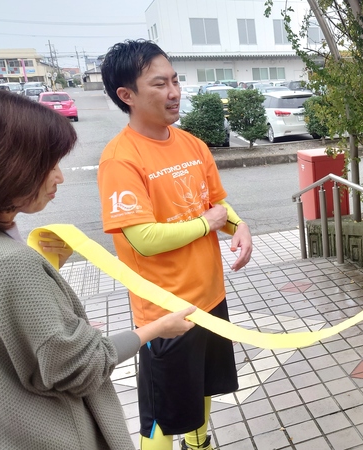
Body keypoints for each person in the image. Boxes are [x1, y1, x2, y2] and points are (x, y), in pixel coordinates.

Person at [0, 90, 197, 449]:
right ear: (10, 166)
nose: (60, 177)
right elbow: (77, 367)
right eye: (49, 164)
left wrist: (52, 291)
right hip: (57, 433)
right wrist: (158, 328)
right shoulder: (12, 264)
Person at [98, 39, 253, 450]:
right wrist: (209, 223)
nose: (174, 92)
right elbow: (144, 239)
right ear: (126, 95)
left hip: (210, 296)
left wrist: (238, 225)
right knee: (161, 414)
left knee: (203, 387)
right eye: (159, 84)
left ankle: (200, 445)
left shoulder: (191, 144)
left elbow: (215, 203)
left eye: (176, 80)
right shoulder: (121, 159)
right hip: (165, 313)